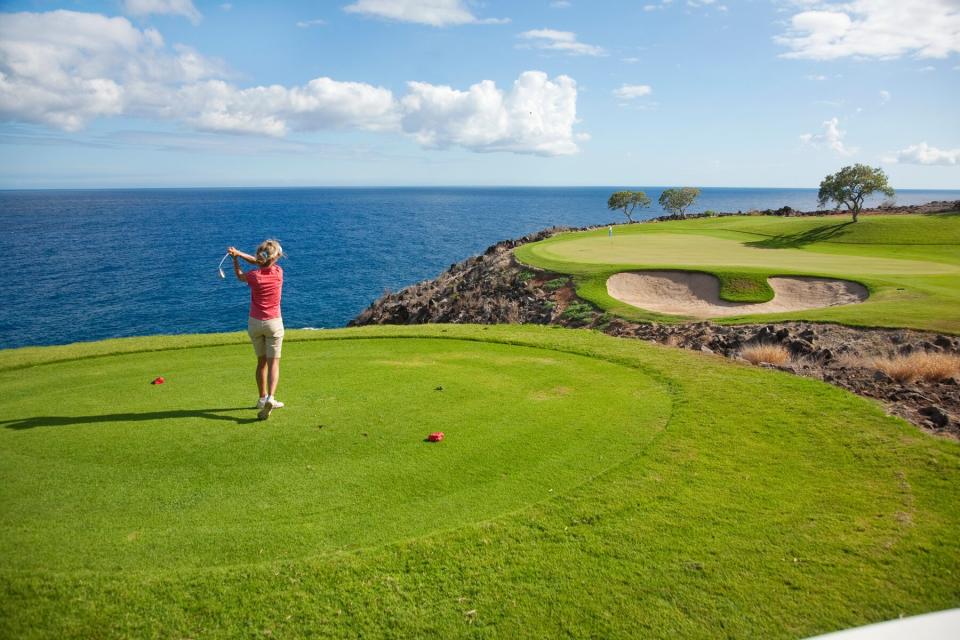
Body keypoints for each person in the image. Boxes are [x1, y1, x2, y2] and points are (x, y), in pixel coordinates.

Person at [228, 239, 285, 420]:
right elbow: (261, 261)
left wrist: (235, 257)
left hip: (255, 323)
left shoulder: (254, 276)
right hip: (274, 323)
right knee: (273, 362)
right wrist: (240, 253)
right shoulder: (278, 272)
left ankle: (262, 398)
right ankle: (271, 397)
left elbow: (240, 274)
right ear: (275, 258)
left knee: (261, 362)